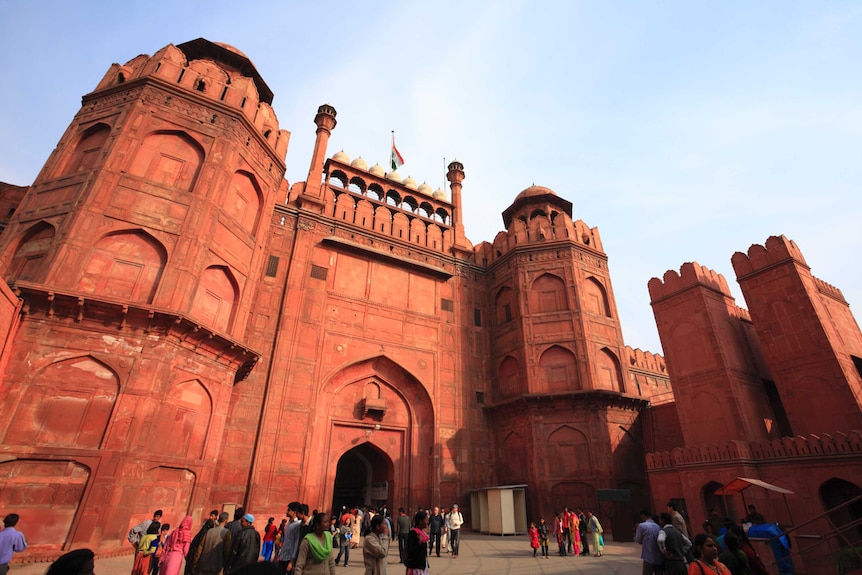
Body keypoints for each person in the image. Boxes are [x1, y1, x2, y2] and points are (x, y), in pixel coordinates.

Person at [635, 510, 663, 575]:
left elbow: (639, 540)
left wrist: (637, 529)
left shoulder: (642, 526)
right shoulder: (657, 526)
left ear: (643, 515)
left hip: (648, 556)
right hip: (659, 557)